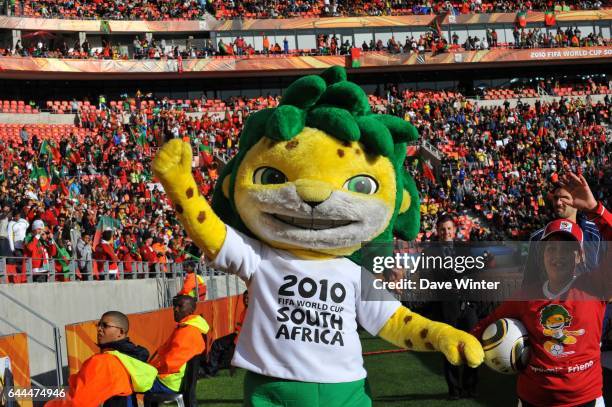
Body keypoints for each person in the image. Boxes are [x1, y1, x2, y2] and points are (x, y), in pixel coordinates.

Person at [472, 218, 611, 407]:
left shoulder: (595, 287)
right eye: (551, 248)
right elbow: (486, 324)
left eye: (567, 249)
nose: (558, 255)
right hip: (532, 400)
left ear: (579, 256)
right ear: (543, 254)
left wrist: (597, 210)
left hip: (585, 400)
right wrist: (459, 341)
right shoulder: (525, 296)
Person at [45, 311, 156, 407]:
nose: (99, 329)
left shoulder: (104, 361)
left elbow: (77, 403)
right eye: (99, 325)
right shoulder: (129, 358)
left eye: (105, 325)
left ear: (120, 332)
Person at [428, 213, 479, 400]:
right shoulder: (430, 252)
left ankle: (470, 388)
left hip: (468, 306)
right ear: (437, 231)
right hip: (446, 308)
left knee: (471, 347)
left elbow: (473, 272)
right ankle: (454, 390)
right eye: (442, 229)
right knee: (450, 350)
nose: (446, 232)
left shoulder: (465, 248)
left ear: (454, 230)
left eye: (449, 229)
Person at [149, 295, 209, 394]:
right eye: (174, 306)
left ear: (191, 310)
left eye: (180, 306)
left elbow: (171, 363)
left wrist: (151, 368)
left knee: (129, 384)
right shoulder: (188, 327)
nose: (175, 309)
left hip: (169, 381)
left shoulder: (188, 331)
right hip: (171, 378)